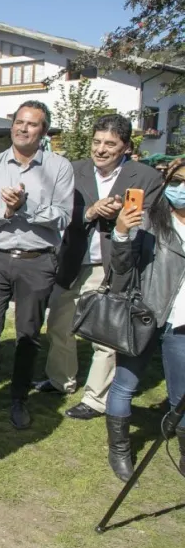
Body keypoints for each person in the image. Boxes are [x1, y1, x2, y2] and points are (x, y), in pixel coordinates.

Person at [37, 115, 163, 421]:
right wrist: (89, 211)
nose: (101, 149)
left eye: (110, 144)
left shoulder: (146, 177)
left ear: (125, 147)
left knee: (104, 334)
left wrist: (122, 216)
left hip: (112, 264)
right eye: (97, 142)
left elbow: (153, 224)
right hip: (72, 260)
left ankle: (96, 398)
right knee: (58, 325)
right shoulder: (73, 170)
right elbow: (58, 210)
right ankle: (61, 379)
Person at [0, 101, 74, 429]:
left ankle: (18, 399)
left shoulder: (58, 167)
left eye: (32, 124)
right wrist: (8, 212)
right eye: (18, 122)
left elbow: (64, 215)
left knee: (28, 334)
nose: (22, 128)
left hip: (36, 260)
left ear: (43, 131)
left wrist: (27, 207)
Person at [104, 158, 185, 481]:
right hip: (146, 315)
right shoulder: (151, 220)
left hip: (181, 324)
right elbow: (122, 269)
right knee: (125, 385)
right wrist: (122, 233)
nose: (180, 189)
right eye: (176, 181)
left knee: (180, 395)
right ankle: (119, 448)